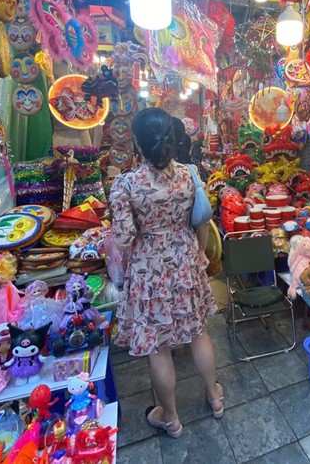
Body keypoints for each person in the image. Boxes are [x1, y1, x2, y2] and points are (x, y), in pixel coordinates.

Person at [109, 107, 222, 438]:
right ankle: (215, 397)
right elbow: (201, 220)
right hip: (186, 261)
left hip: (149, 271)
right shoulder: (190, 174)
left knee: (158, 346)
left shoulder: (126, 184)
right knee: (198, 332)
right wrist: (199, 254)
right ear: (172, 141)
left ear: (137, 144)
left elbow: (125, 240)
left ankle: (170, 417)